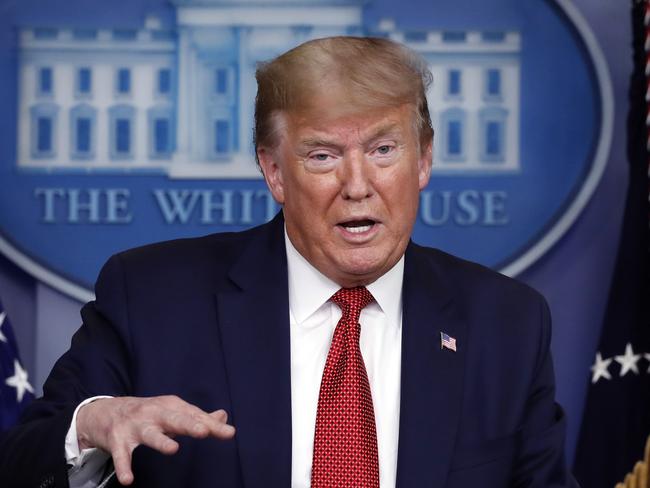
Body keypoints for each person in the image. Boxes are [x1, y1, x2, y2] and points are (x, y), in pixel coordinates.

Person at [0, 36, 577, 488]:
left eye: (383, 150)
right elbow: (22, 463)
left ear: (423, 160)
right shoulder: (151, 297)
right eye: (323, 155)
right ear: (274, 171)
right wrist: (90, 427)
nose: (358, 185)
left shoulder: (507, 321)